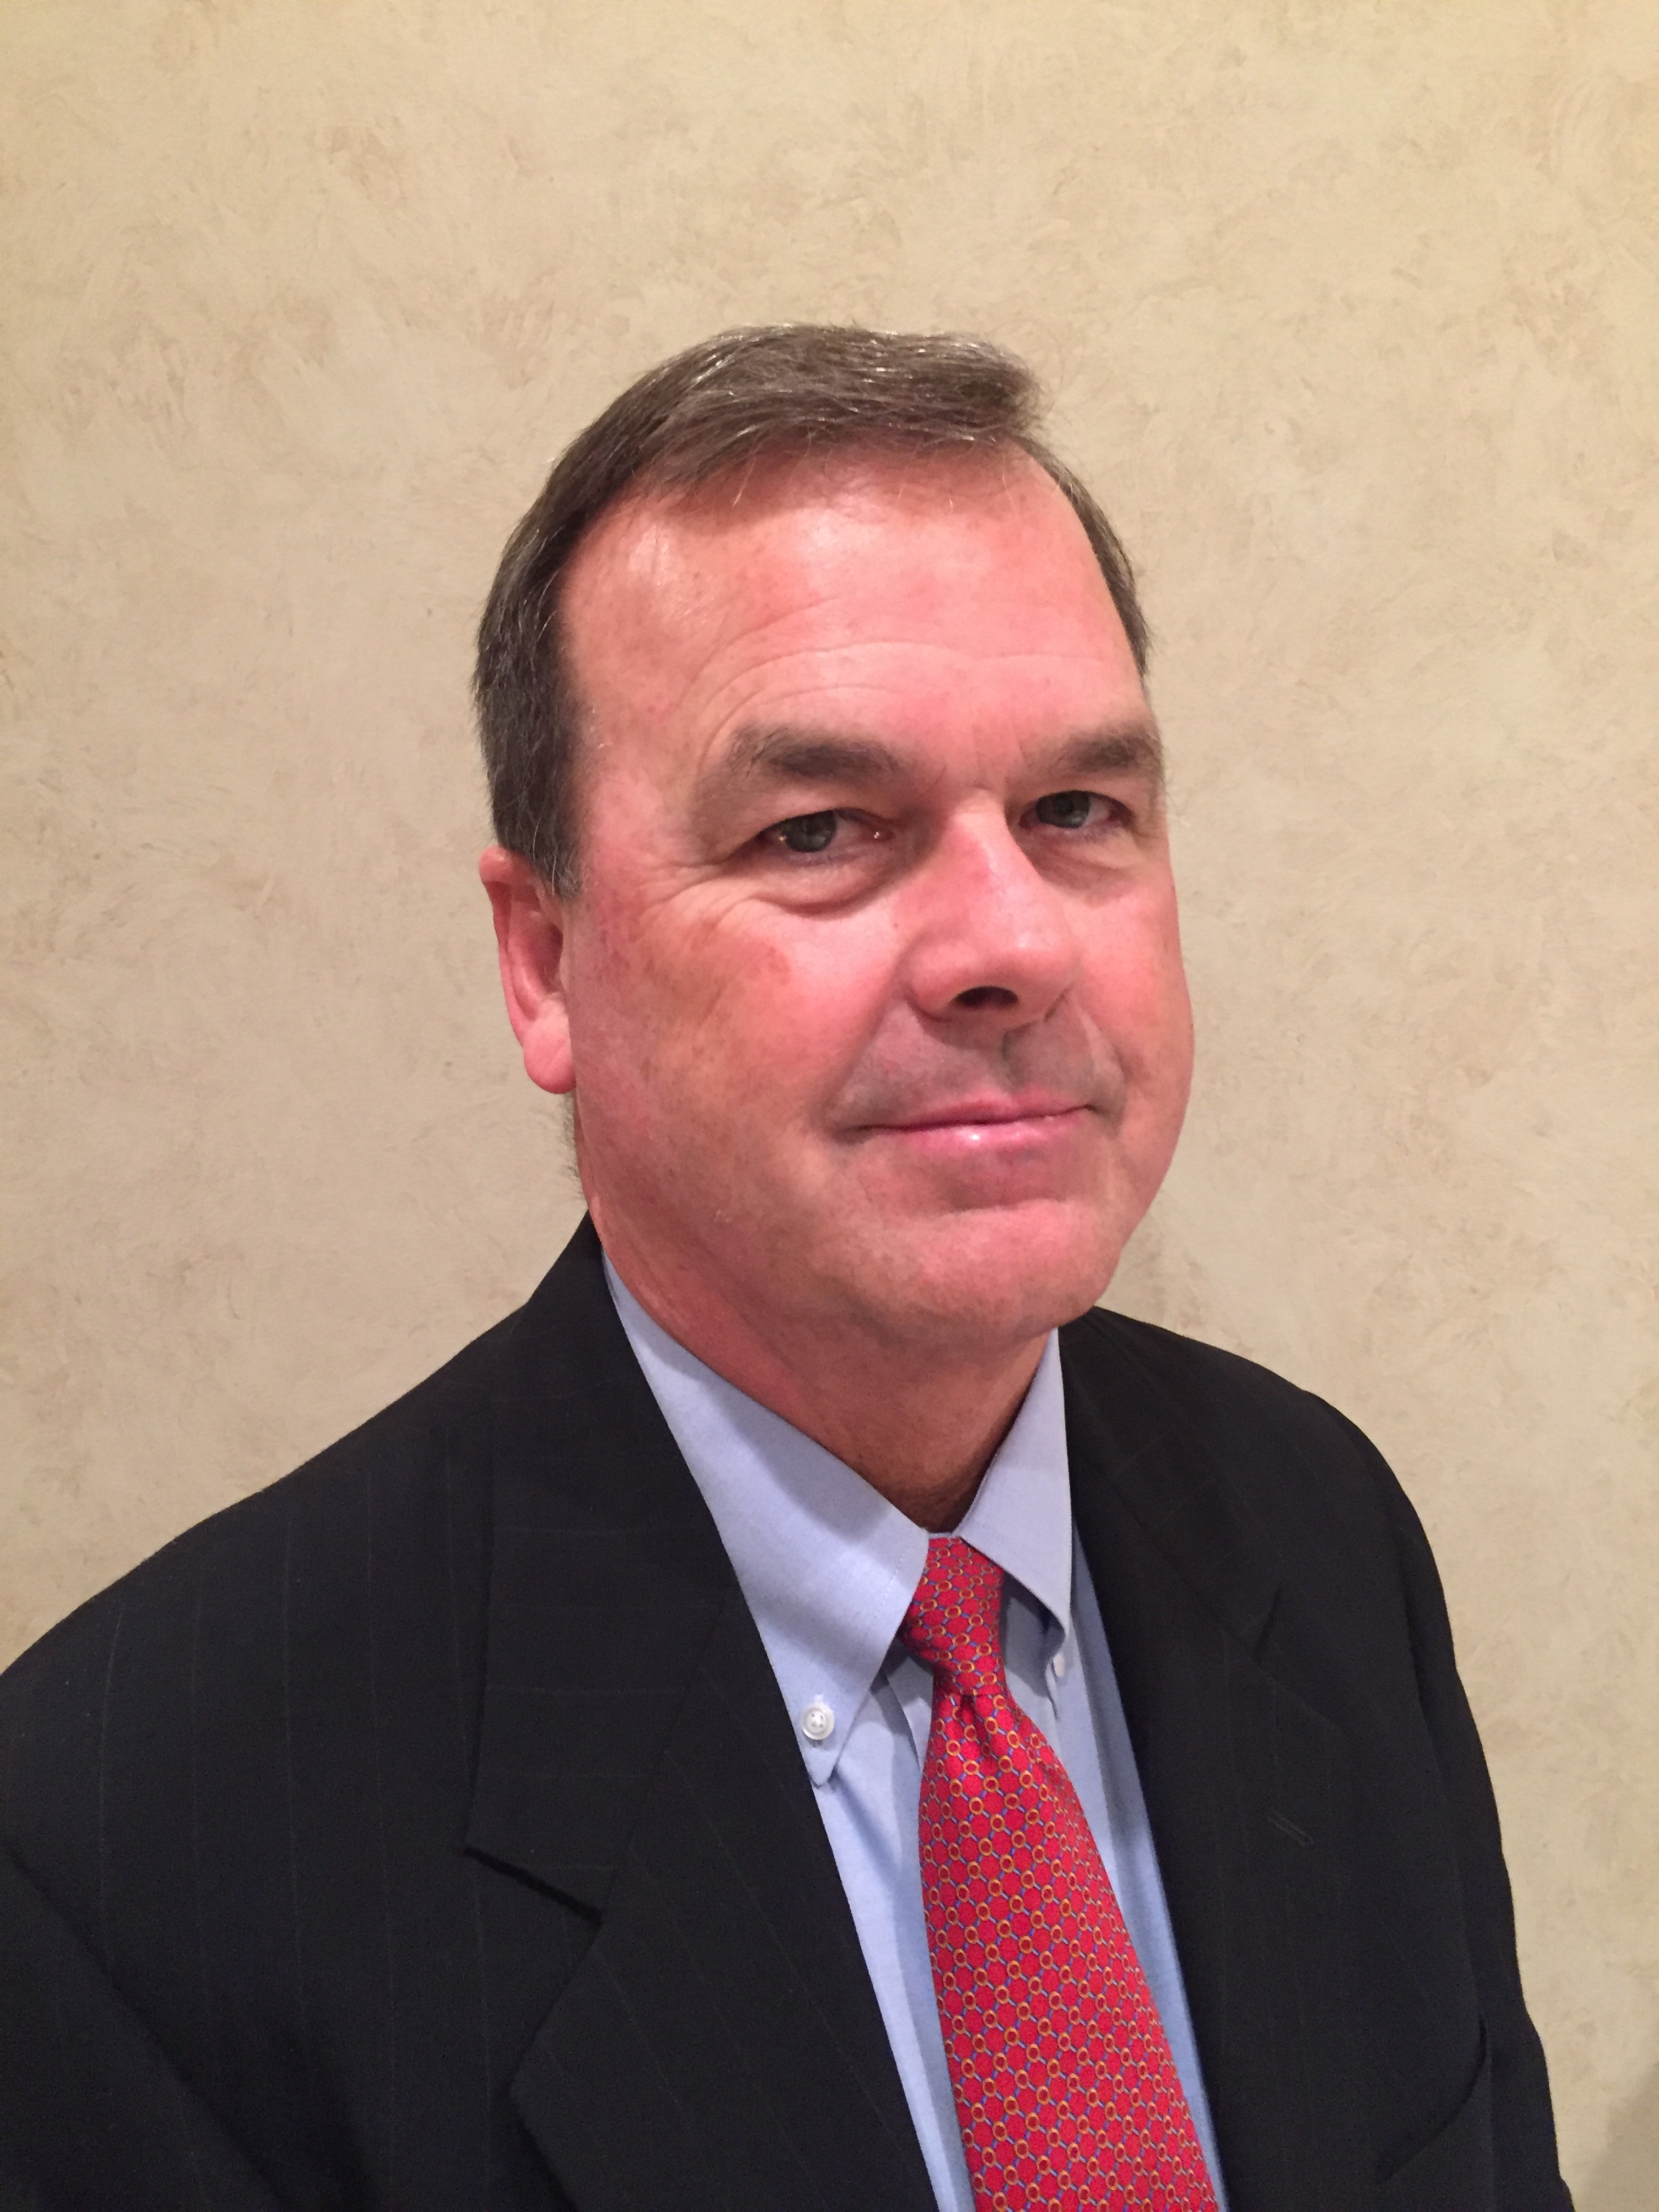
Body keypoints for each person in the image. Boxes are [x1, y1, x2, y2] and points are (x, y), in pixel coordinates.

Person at [0, 326, 1570, 2212]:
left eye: (1077, 812)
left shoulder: (1321, 1528)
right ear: (544, 963)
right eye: (820, 830)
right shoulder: (129, 1847)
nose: (1009, 945)